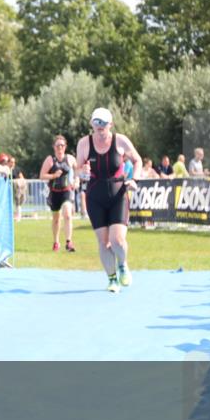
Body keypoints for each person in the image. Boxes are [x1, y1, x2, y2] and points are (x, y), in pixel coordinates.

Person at [75, 107, 142, 293]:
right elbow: (78, 170)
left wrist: (134, 179)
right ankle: (112, 279)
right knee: (104, 242)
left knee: (118, 240)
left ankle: (122, 265)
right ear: (91, 124)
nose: (100, 126)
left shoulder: (120, 140)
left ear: (110, 124)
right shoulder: (84, 143)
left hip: (118, 195)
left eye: (103, 123)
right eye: (96, 122)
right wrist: (82, 172)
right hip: (95, 197)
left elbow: (138, 160)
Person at [39, 135, 77, 252]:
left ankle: (69, 242)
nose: (60, 147)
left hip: (66, 190)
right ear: (54, 147)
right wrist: (54, 176)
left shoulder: (70, 158)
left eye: (62, 145)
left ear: (65, 147)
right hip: (54, 192)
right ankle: (56, 242)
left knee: (67, 214)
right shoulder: (50, 160)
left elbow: (78, 170)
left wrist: (77, 180)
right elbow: (42, 176)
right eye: (58, 145)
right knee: (56, 218)